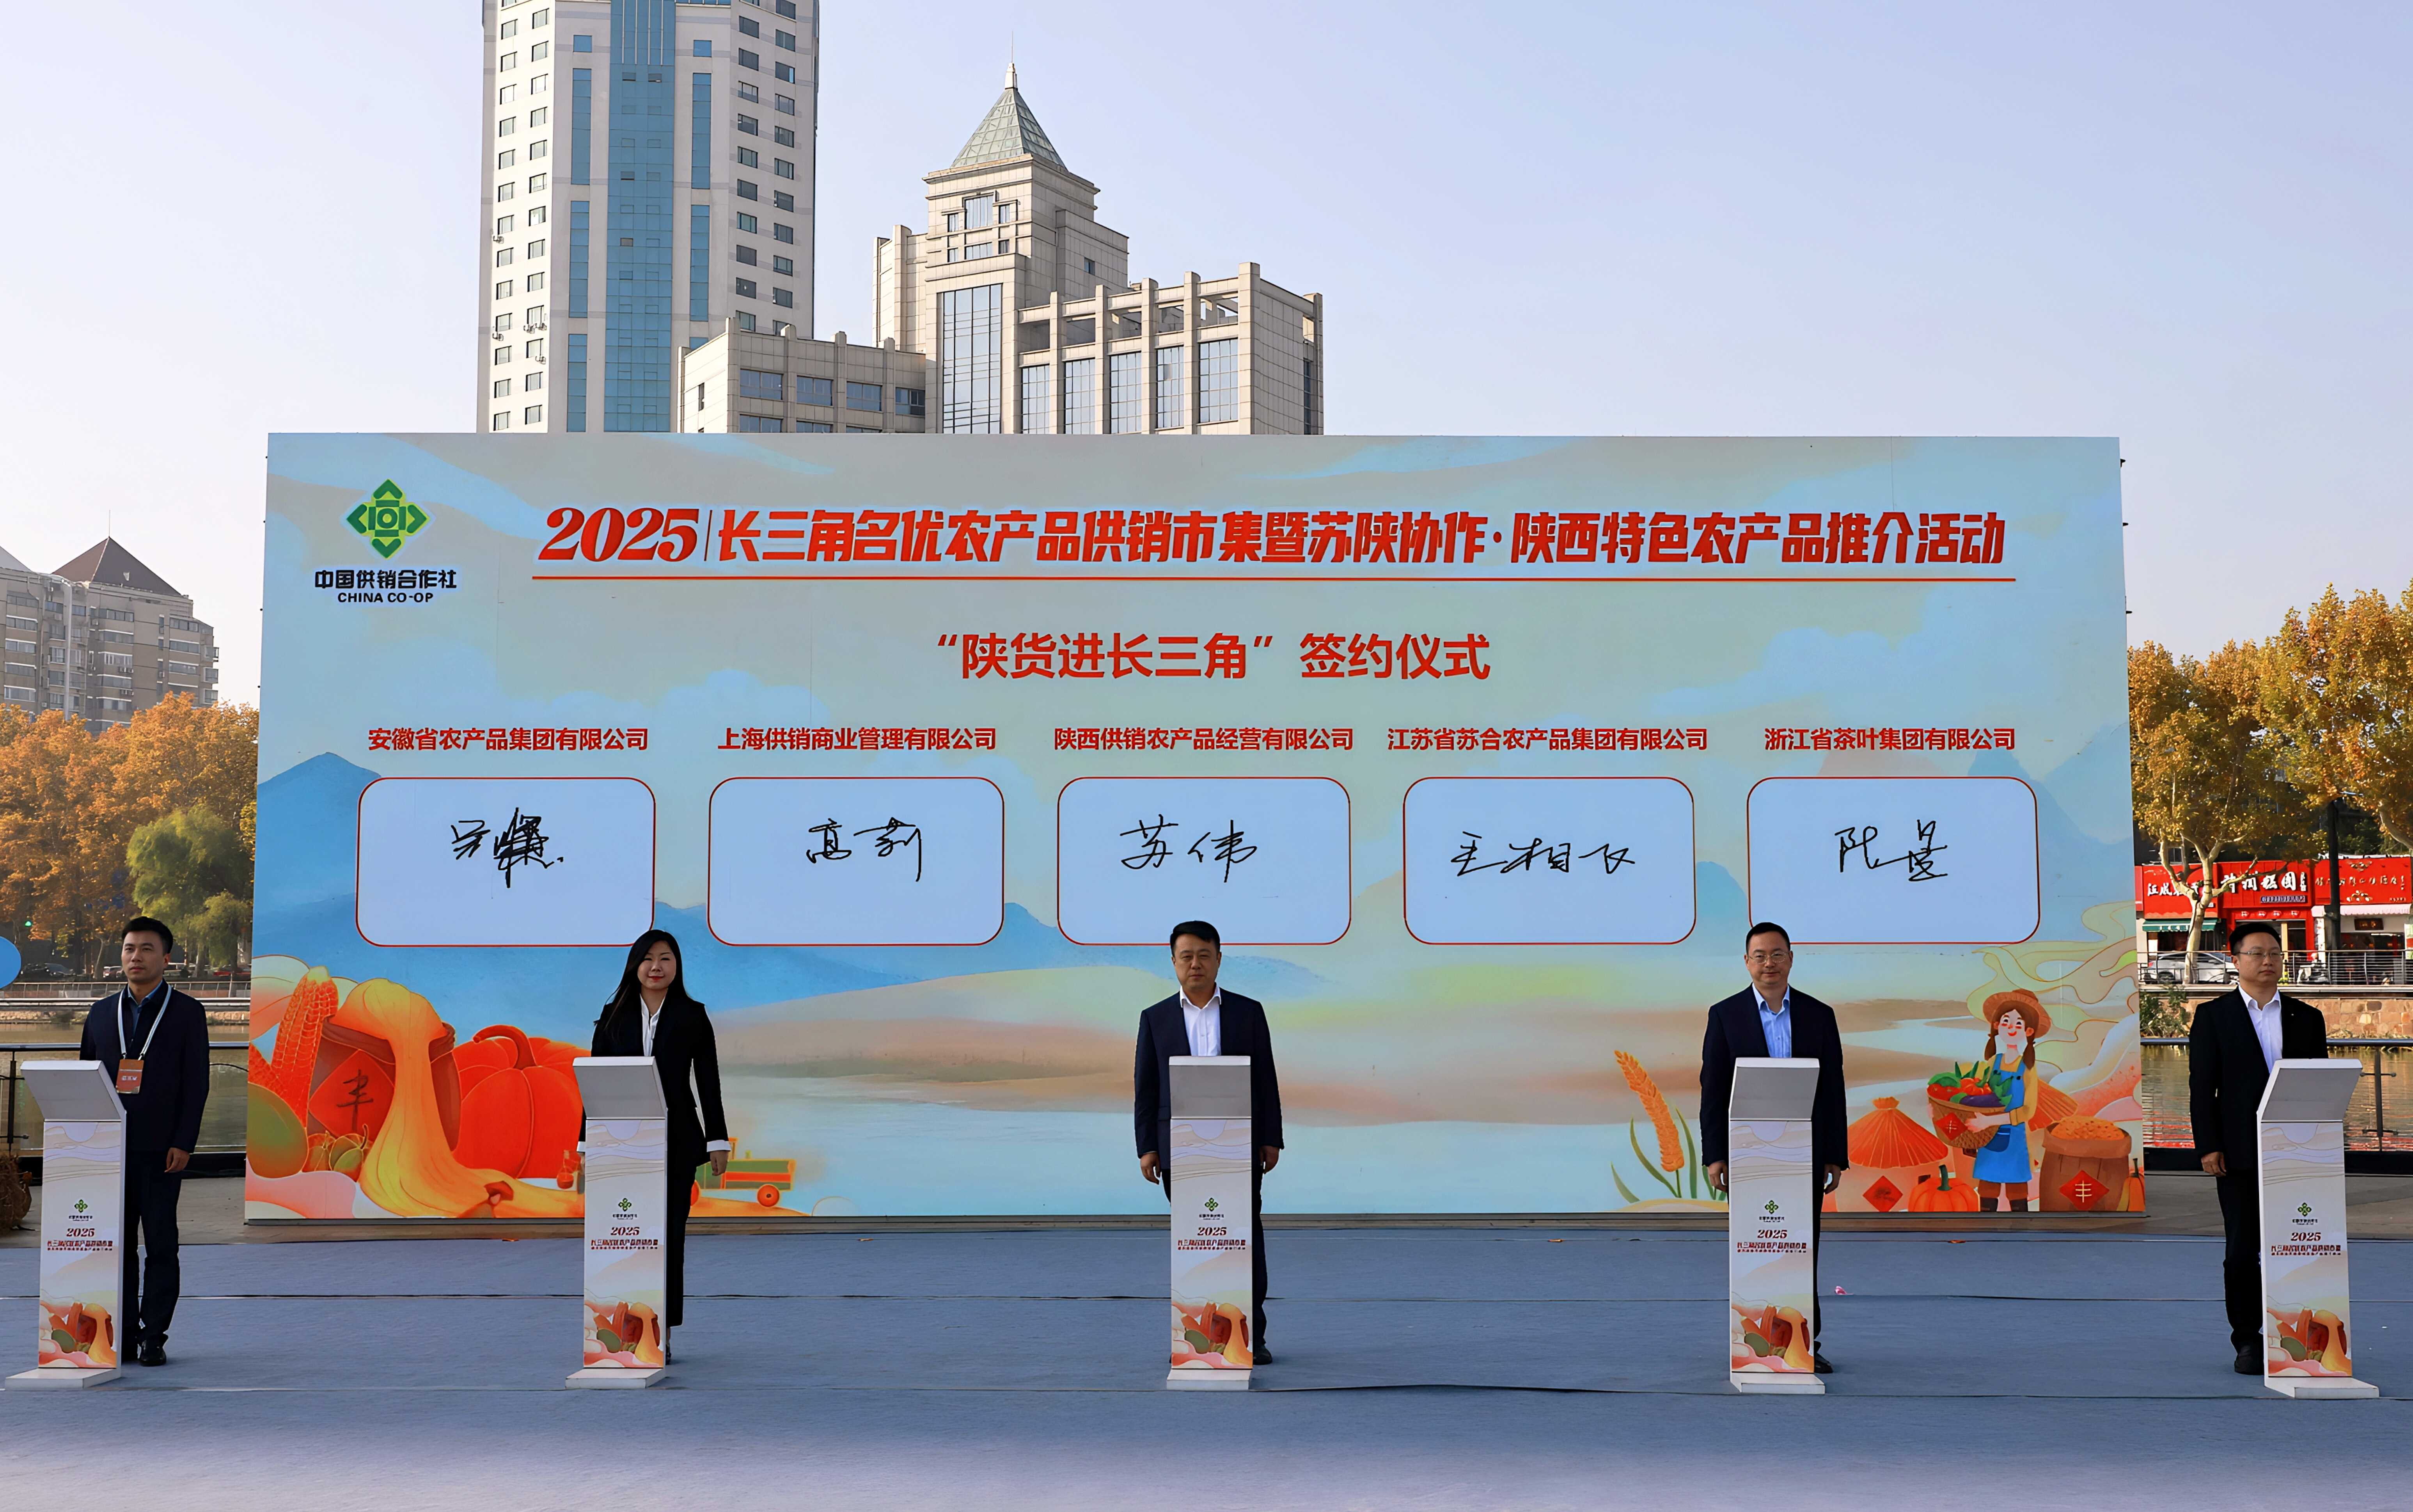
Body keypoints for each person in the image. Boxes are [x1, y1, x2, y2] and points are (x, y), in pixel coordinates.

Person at [1699, 920, 1848, 1373]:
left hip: (1805, 1151)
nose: (1769, 963)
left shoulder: (1819, 1015)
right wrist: (1715, 1154)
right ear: (1747, 962)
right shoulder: (1725, 1015)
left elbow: (1833, 1088)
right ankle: (1755, 1343)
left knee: (1803, 1246)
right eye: (1760, 956)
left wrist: (1835, 1154)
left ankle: (1805, 1343)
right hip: (1749, 1154)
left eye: (1777, 954)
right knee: (1756, 1248)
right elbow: (1713, 1088)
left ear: (1791, 959)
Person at [1133, 920, 1284, 1362]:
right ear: (1174, 962)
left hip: (1239, 1147)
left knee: (1243, 1242)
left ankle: (1251, 1338)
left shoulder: (1248, 1012)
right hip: (1180, 1150)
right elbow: (1146, 1088)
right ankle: (1194, 1338)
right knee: (1194, 1242)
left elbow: (1266, 1078)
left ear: (1219, 959)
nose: (1195, 964)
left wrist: (1270, 1137)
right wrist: (1147, 1146)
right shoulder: (1155, 1018)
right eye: (1187, 956)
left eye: (1204, 955)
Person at [2189, 918, 2330, 1374]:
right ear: (2235, 960)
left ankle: (2301, 1338)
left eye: (2274, 953)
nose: (2268, 961)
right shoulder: (2213, 1017)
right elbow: (2201, 1088)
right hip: (2237, 1152)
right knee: (2241, 1250)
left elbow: (2323, 1084)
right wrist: (2209, 1146)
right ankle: (2248, 1340)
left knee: (2300, 1246)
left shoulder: (2307, 1017)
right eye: (2257, 953)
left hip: (2301, 1152)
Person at [585, 930, 729, 1362]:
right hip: (620, 1144)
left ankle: (661, 1332)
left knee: (669, 1237)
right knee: (626, 1237)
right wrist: (585, 1143)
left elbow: (708, 1082)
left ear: (677, 966)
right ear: (635, 965)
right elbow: (594, 1083)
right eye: (648, 959)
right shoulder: (612, 1016)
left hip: (678, 1142)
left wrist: (717, 1139)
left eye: (666, 958)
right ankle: (620, 1329)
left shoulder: (693, 1016)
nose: (656, 967)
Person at [75, 917, 210, 1368]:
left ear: (166, 959)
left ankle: (154, 1336)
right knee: (116, 1248)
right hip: (109, 1150)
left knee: (161, 1245)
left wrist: (184, 1141)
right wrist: (85, 1143)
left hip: (162, 1151)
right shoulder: (100, 1013)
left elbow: (197, 1083)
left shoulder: (187, 1013)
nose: (136, 957)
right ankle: (125, 1335)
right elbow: (86, 1080)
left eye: (147, 949)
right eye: (130, 949)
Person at [1966, 990, 2052, 1211]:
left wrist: (1989, 1121)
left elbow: (2027, 1111)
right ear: (1997, 1026)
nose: (2011, 1028)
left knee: (2017, 1190)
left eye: (2018, 1024)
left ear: (2028, 1031)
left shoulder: (2028, 1069)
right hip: (1988, 1138)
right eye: (2006, 1022)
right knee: (1988, 1187)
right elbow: (1974, 1094)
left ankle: (2021, 1227)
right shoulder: (1991, 1064)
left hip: (2015, 1138)